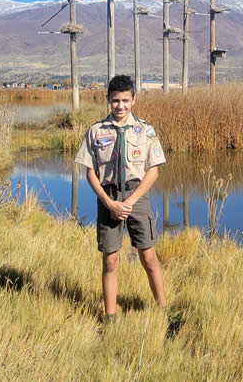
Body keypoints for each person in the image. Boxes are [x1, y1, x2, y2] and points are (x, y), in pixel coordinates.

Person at [74, 75, 167, 324]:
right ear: (108, 100)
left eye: (125, 100)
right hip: (109, 198)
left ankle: (163, 312)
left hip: (137, 196)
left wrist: (130, 202)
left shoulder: (146, 131)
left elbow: (153, 170)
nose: (120, 106)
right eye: (115, 100)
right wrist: (109, 202)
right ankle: (110, 318)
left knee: (148, 256)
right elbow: (90, 171)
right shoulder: (96, 131)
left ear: (134, 100)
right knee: (111, 259)